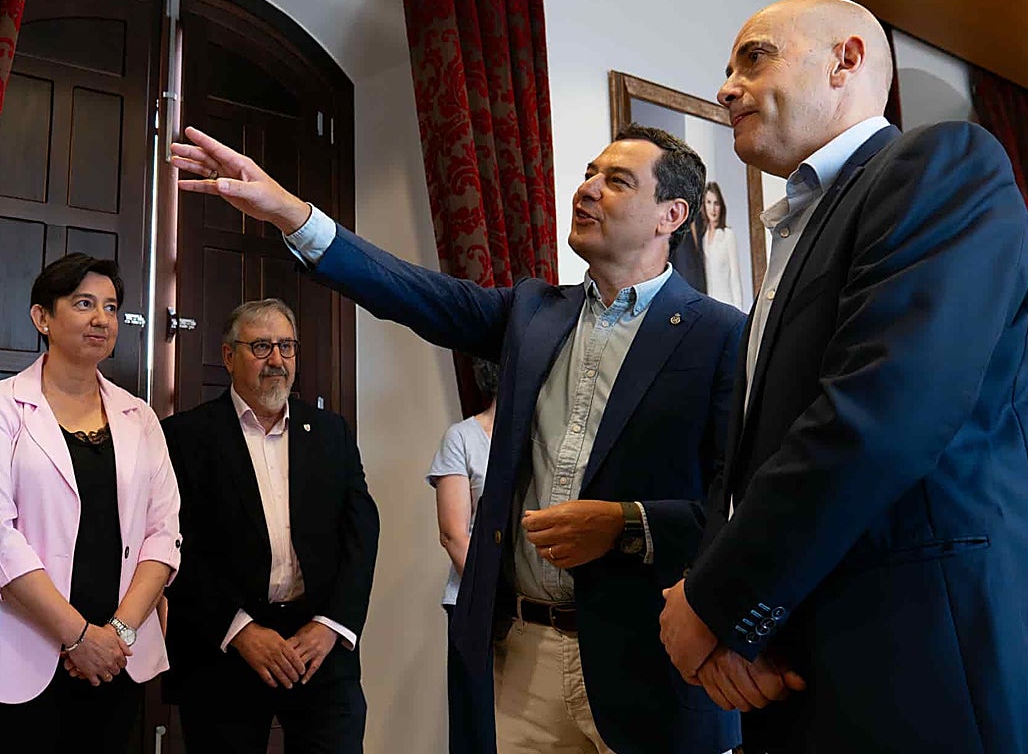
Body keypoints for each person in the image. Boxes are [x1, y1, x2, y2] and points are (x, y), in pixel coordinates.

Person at [168, 123, 753, 754]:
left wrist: (626, 522)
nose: (586, 190)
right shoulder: (533, 312)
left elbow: (739, 505)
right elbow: (412, 291)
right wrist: (290, 214)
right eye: (588, 173)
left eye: (616, 181)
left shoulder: (720, 335)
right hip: (525, 654)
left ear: (673, 214)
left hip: (652, 663)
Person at [659, 0, 1028, 752]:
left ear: (845, 60)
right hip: (811, 669)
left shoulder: (939, 165)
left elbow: (879, 417)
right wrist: (737, 630)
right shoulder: (801, 230)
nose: (726, 87)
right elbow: (754, 466)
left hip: (936, 671)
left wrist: (714, 603)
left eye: (753, 57)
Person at [160, 298, 380, 753]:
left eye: (286, 347)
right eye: (261, 347)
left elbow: (361, 533)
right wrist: (240, 630)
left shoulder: (331, 432)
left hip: (316, 642)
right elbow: (175, 545)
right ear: (228, 356)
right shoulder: (183, 437)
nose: (276, 360)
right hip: (223, 645)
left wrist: (332, 624)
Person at [0, 253, 181, 752]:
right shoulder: (5, 408)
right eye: (84, 303)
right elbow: (1, 538)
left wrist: (116, 633)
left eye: (111, 306)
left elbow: (163, 532)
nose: (102, 318)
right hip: (27, 651)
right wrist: (78, 636)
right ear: (42, 318)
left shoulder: (139, 417)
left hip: (117, 655)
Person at [427, 357, 500, 754]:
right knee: (479, 732)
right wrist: (500, 595)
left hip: (539, 610)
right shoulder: (463, 437)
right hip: (477, 606)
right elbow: (454, 535)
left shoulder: (546, 439)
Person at [699, 182, 743, 308]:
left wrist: (739, 310)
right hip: (709, 307)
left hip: (728, 304)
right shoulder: (703, 238)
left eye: (716, 203)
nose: (712, 209)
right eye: (709, 202)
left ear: (721, 206)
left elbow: (735, 277)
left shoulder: (728, 235)